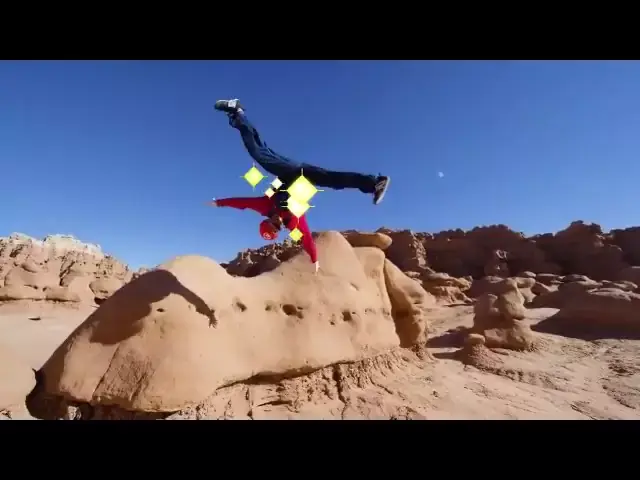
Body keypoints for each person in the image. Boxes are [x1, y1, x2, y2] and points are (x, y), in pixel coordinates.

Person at [209, 98, 391, 272]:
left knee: (259, 154)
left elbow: (242, 203)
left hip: (290, 172)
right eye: (278, 229)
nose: (278, 225)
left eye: (273, 225)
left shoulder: (265, 206)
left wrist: (219, 203)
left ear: (267, 221)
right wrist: (314, 259)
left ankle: (237, 113)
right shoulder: (292, 223)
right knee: (334, 180)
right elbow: (307, 239)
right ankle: (375, 183)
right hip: (307, 177)